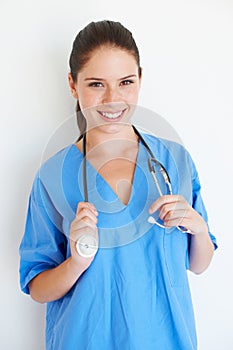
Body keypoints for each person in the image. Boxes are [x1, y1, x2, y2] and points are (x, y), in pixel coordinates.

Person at [19, 20, 217, 350]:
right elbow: (37, 287)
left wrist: (197, 227)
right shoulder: (52, 177)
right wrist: (76, 263)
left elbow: (199, 263)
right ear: (73, 84)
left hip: (167, 340)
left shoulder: (175, 161)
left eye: (126, 82)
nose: (113, 99)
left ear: (140, 79)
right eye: (96, 84)